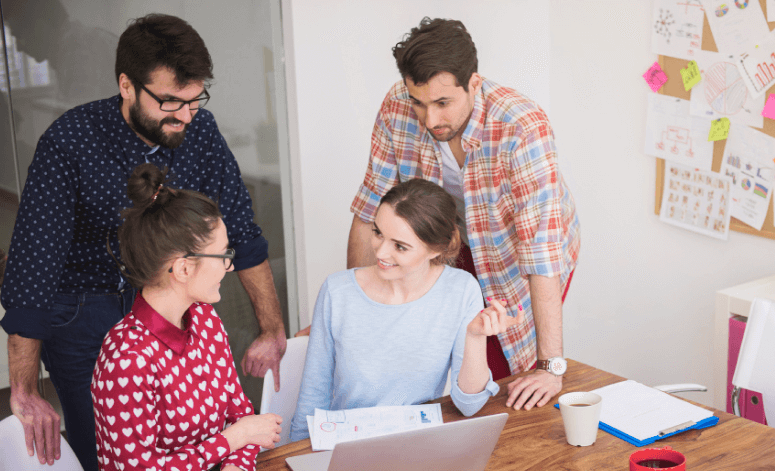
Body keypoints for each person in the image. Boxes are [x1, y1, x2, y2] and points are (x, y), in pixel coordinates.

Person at [0, 14, 286, 470]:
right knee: (104, 445)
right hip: (84, 306)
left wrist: (271, 329)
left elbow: (245, 237)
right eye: (171, 101)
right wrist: (25, 388)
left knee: (192, 424)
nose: (186, 115)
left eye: (195, 100)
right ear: (127, 85)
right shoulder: (70, 142)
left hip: (173, 300)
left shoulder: (202, 132)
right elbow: (33, 275)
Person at [346, 17, 580, 413]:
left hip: (517, 252)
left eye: (442, 103)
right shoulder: (396, 105)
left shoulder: (522, 127)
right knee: (433, 359)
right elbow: (370, 208)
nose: (430, 119)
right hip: (449, 243)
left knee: (504, 378)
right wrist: (357, 312)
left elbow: (541, 249)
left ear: (474, 83)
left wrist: (549, 366)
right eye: (419, 103)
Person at [290, 179, 524, 441]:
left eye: (399, 246)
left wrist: (475, 337)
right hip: (346, 446)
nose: (381, 252)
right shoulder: (337, 291)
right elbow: (313, 396)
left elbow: (468, 405)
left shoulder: (460, 290)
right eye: (378, 233)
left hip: (418, 446)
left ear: (436, 249)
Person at [91, 163, 282, 471]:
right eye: (223, 255)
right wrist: (232, 440)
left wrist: (236, 464)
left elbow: (241, 413)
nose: (229, 266)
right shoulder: (125, 360)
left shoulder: (206, 318)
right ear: (183, 269)